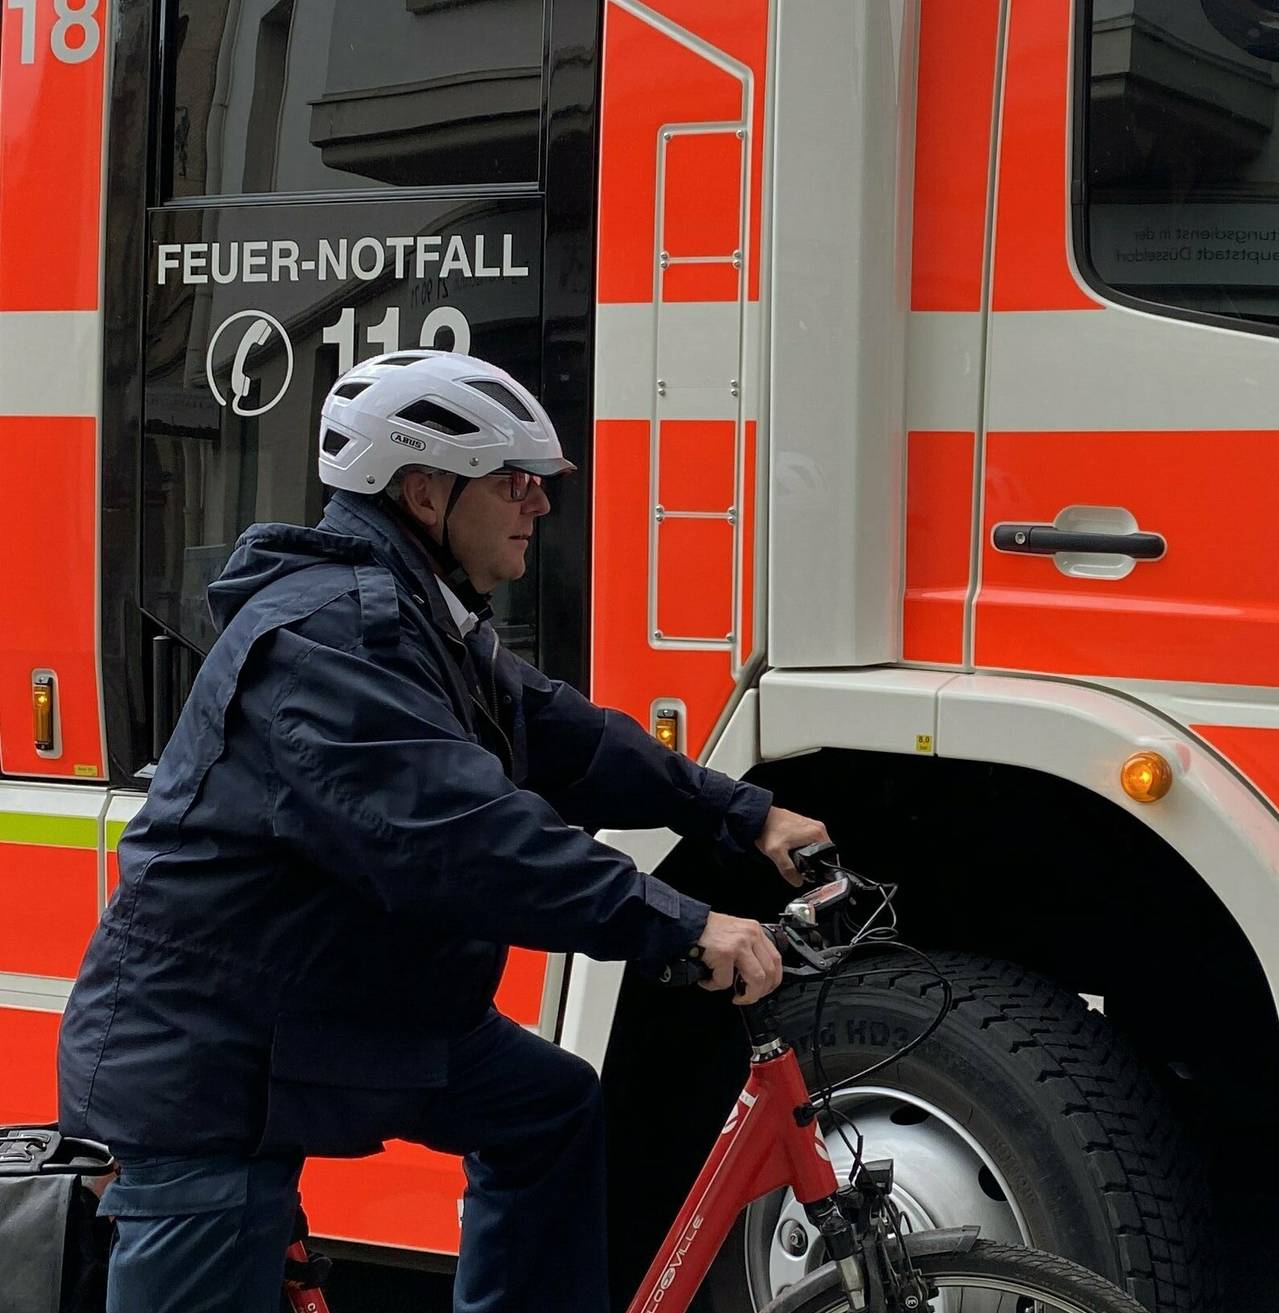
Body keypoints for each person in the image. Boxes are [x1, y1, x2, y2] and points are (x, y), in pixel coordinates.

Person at [55, 351, 827, 1312]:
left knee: (546, 1109)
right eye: (514, 482)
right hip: (211, 1059)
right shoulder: (332, 636)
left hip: (337, 1014)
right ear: (424, 493)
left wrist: (744, 813)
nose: (540, 505)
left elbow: (564, 737)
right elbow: (463, 837)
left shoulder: (422, 618)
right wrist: (679, 923)